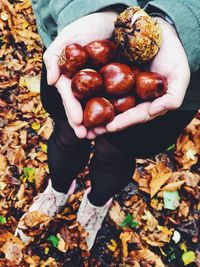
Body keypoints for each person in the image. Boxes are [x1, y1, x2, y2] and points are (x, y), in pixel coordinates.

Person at [15, 0, 199, 250]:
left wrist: (184, 21)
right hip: (81, 28)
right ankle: (58, 190)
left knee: (116, 155)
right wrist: (94, 7)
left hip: (182, 67)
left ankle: (96, 203)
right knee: (67, 135)